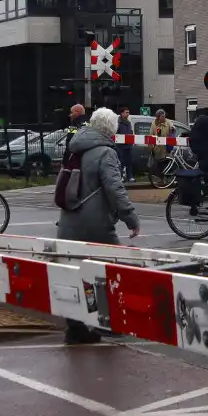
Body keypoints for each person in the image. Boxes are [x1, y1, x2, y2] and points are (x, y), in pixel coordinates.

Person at [57, 108, 140, 344]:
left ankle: (75, 328)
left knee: (77, 273)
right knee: (113, 268)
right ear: (112, 129)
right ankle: (110, 323)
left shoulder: (74, 147)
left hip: (68, 220)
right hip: (96, 224)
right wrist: (131, 218)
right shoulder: (106, 153)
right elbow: (115, 189)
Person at [115, 108, 135, 183]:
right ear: (122, 113)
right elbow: (116, 134)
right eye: (126, 112)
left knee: (129, 162)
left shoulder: (129, 123)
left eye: (128, 112)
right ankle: (120, 177)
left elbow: (131, 133)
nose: (128, 114)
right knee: (121, 162)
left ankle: (130, 176)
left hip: (128, 146)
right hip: (121, 146)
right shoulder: (118, 123)